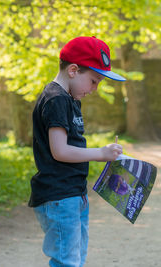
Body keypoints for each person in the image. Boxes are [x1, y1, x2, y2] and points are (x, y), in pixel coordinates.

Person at [28, 36, 126, 267]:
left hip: (73, 193)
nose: (95, 88)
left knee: (75, 259)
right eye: (94, 81)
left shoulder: (69, 99)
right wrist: (101, 153)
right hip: (59, 196)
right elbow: (60, 151)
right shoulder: (56, 99)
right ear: (73, 70)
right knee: (67, 261)